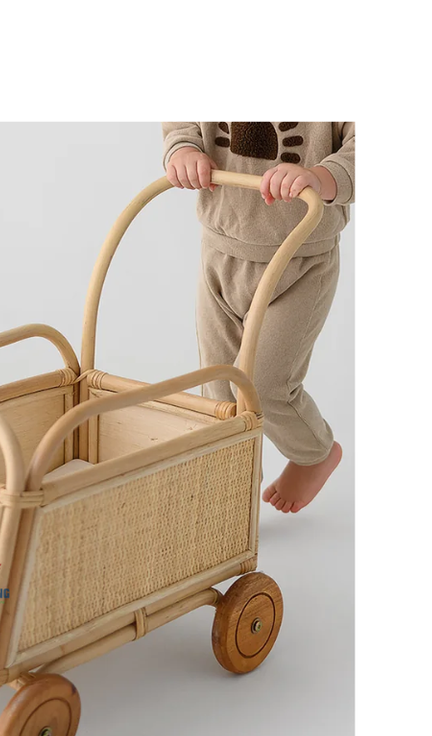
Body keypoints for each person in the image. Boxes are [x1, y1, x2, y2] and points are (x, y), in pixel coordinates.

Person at [161, 122, 354, 512]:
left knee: (264, 386)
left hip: (301, 261)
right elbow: (182, 120)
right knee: (218, 389)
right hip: (220, 251)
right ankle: (233, 492)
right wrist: (182, 146)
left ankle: (314, 452)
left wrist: (321, 176)